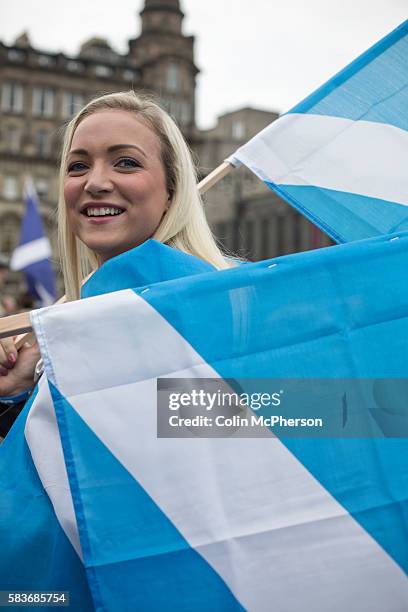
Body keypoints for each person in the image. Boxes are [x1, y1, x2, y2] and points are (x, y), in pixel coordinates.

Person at [0, 90, 231, 437]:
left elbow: (306, 417)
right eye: (78, 166)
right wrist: (21, 394)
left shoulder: (216, 304)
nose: (95, 183)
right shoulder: (84, 317)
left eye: (126, 162)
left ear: (172, 188)